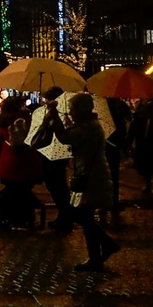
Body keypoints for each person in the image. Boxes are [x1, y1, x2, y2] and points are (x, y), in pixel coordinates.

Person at [44, 93, 118, 271]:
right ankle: (95, 257)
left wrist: (55, 118)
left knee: (80, 215)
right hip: (90, 173)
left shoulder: (89, 128)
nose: (71, 113)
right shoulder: (88, 125)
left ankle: (106, 245)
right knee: (85, 217)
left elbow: (65, 138)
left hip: (93, 176)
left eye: (73, 110)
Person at [31, 86, 74, 231]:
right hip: (49, 153)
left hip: (56, 154)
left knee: (58, 186)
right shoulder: (49, 113)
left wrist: (53, 118)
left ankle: (65, 217)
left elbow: (62, 135)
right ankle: (64, 216)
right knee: (56, 186)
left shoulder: (63, 113)